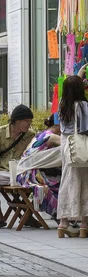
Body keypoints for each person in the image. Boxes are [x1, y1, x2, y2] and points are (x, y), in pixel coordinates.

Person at [0, 105, 37, 229]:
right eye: (27, 121)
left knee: (41, 187)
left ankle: (28, 216)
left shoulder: (31, 135)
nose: (29, 124)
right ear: (17, 121)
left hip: (22, 172)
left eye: (30, 121)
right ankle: (0, 217)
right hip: (2, 171)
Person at [57, 74, 88, 238]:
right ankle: (84, 224)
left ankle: (63, 223)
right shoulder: (83, 105)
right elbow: (85, 129)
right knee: (85, 183)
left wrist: (80, 73)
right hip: (81, 147)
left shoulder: (62, 105)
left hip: (66, 146)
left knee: (67, 181)